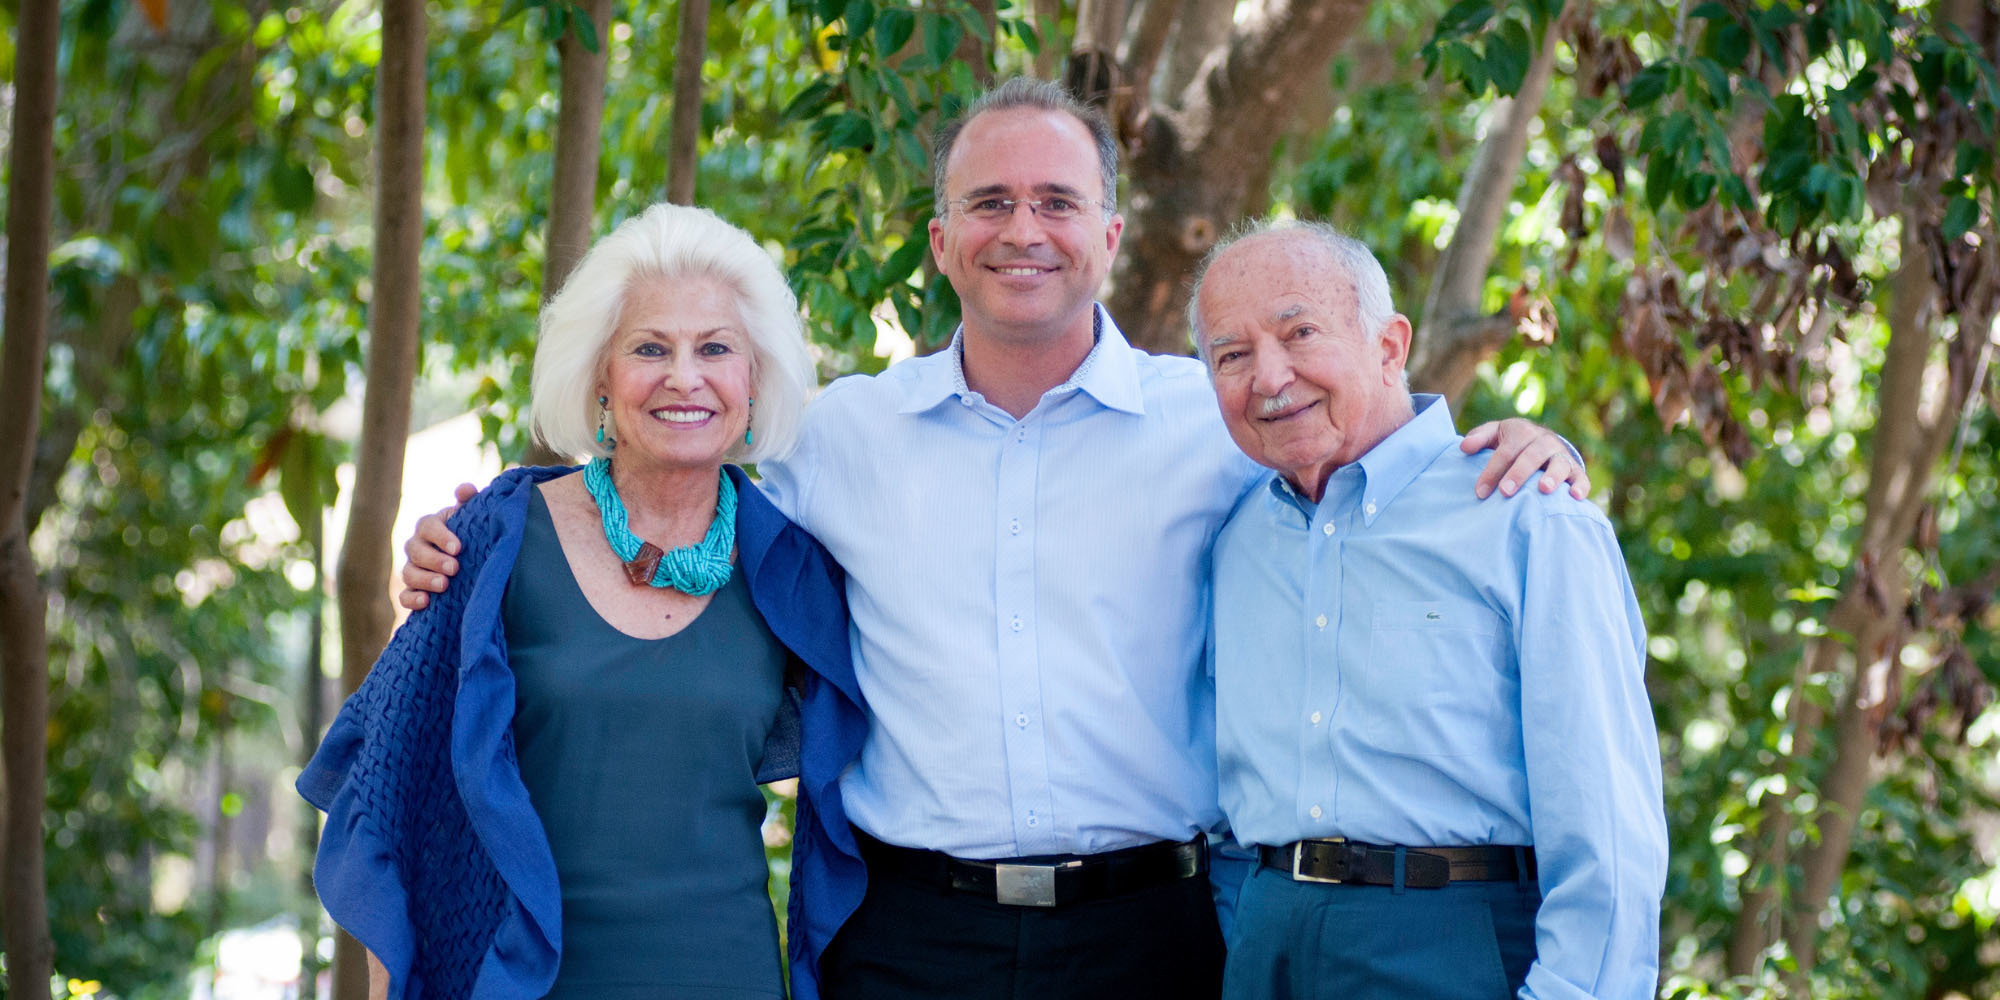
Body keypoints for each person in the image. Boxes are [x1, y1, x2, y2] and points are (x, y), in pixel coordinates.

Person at [399, 79, 1588, 1000]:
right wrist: (471, 541)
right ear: (939, 239)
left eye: (1057, 202)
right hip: (913, 933)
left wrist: (1520, 444)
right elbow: (667, 481)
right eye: (990, 203)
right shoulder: (839, 435)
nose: (1024, 229)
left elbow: (1359, 452)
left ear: (1109, 235)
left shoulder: (1214, 418)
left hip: (1154, 931)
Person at [298, 203, 868, 1000]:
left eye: (715, 348)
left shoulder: (792, 569)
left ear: (754, 378)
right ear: (600, 376)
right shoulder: (489, 544)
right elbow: (394, 807)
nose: (684, 376)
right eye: (648, 348)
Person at [1189, 221, 1667, 1000]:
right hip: (1266, 948)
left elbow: (1606, 824)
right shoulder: (1236, 538)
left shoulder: (1527, 514)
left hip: (1452, 941)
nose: (1269, 378)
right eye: (1231, 355)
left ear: (1389, 346)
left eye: (1300, 332)